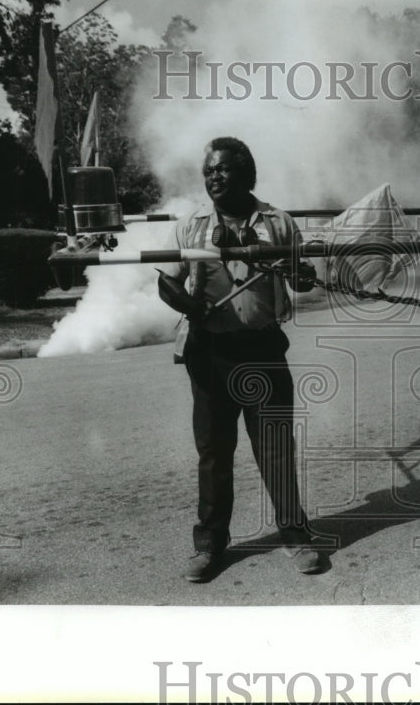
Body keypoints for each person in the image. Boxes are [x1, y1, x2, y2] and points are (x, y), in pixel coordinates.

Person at [158, 136, 322, 582]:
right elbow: (166, 283)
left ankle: (294, 534)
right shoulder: (190, 225)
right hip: (208, 352)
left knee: (275, 449)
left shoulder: (278, 223)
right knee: (214, 454)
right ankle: (209, 545)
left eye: (224, 169)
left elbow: (303, 278)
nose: (214, 177)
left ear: (246, 173)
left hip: (263, 352)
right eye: (209, 171)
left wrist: (300, 272)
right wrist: (191, 307)